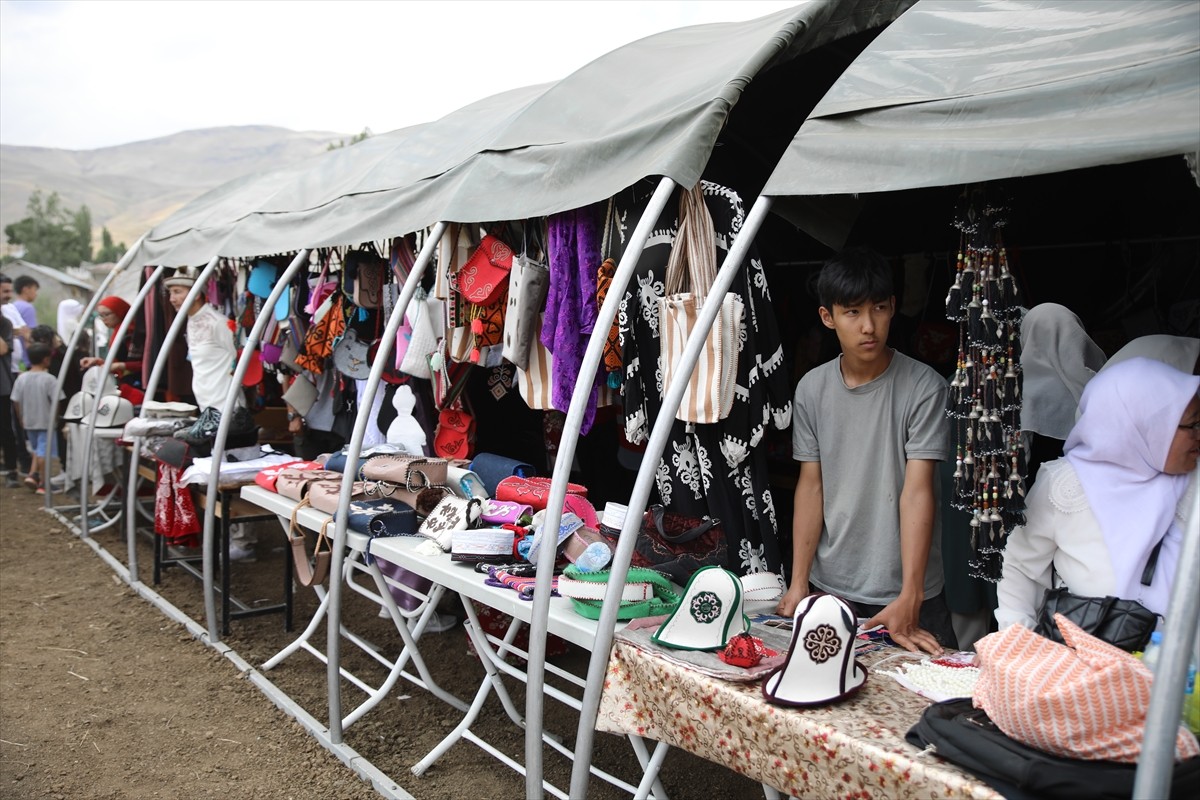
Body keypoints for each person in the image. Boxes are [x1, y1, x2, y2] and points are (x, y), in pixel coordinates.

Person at [780, 247, 955, 655]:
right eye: (853, 312)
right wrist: (799, 581)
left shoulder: (925, 388)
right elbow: (811, 487)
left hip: (910, 593)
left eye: (878, 308)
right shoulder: (812, 389)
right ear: (828, 317)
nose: (869, 326)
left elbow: (918, 491)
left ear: (894, 307)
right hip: (831, 586)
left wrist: (911, 595)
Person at [995, 358, 1200, 630]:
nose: (1199, 434)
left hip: (1184, 663)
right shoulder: (1067, 483)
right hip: (1090, 660)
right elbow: (1021, 567)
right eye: (1191, 426)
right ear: (1145, 426)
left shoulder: (1193, 482)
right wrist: (1017, 642)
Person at [10, 342, 62, 493]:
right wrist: (56, 417)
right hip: (46, 421)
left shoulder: (21, 378)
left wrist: (21, 417)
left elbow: (16, 401)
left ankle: (33, 475)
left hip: (28, 421)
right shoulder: (50, 379)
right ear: (46, 360)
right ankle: (44, 483)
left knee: (37, 450)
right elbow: (56, 400)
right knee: (43, 453)